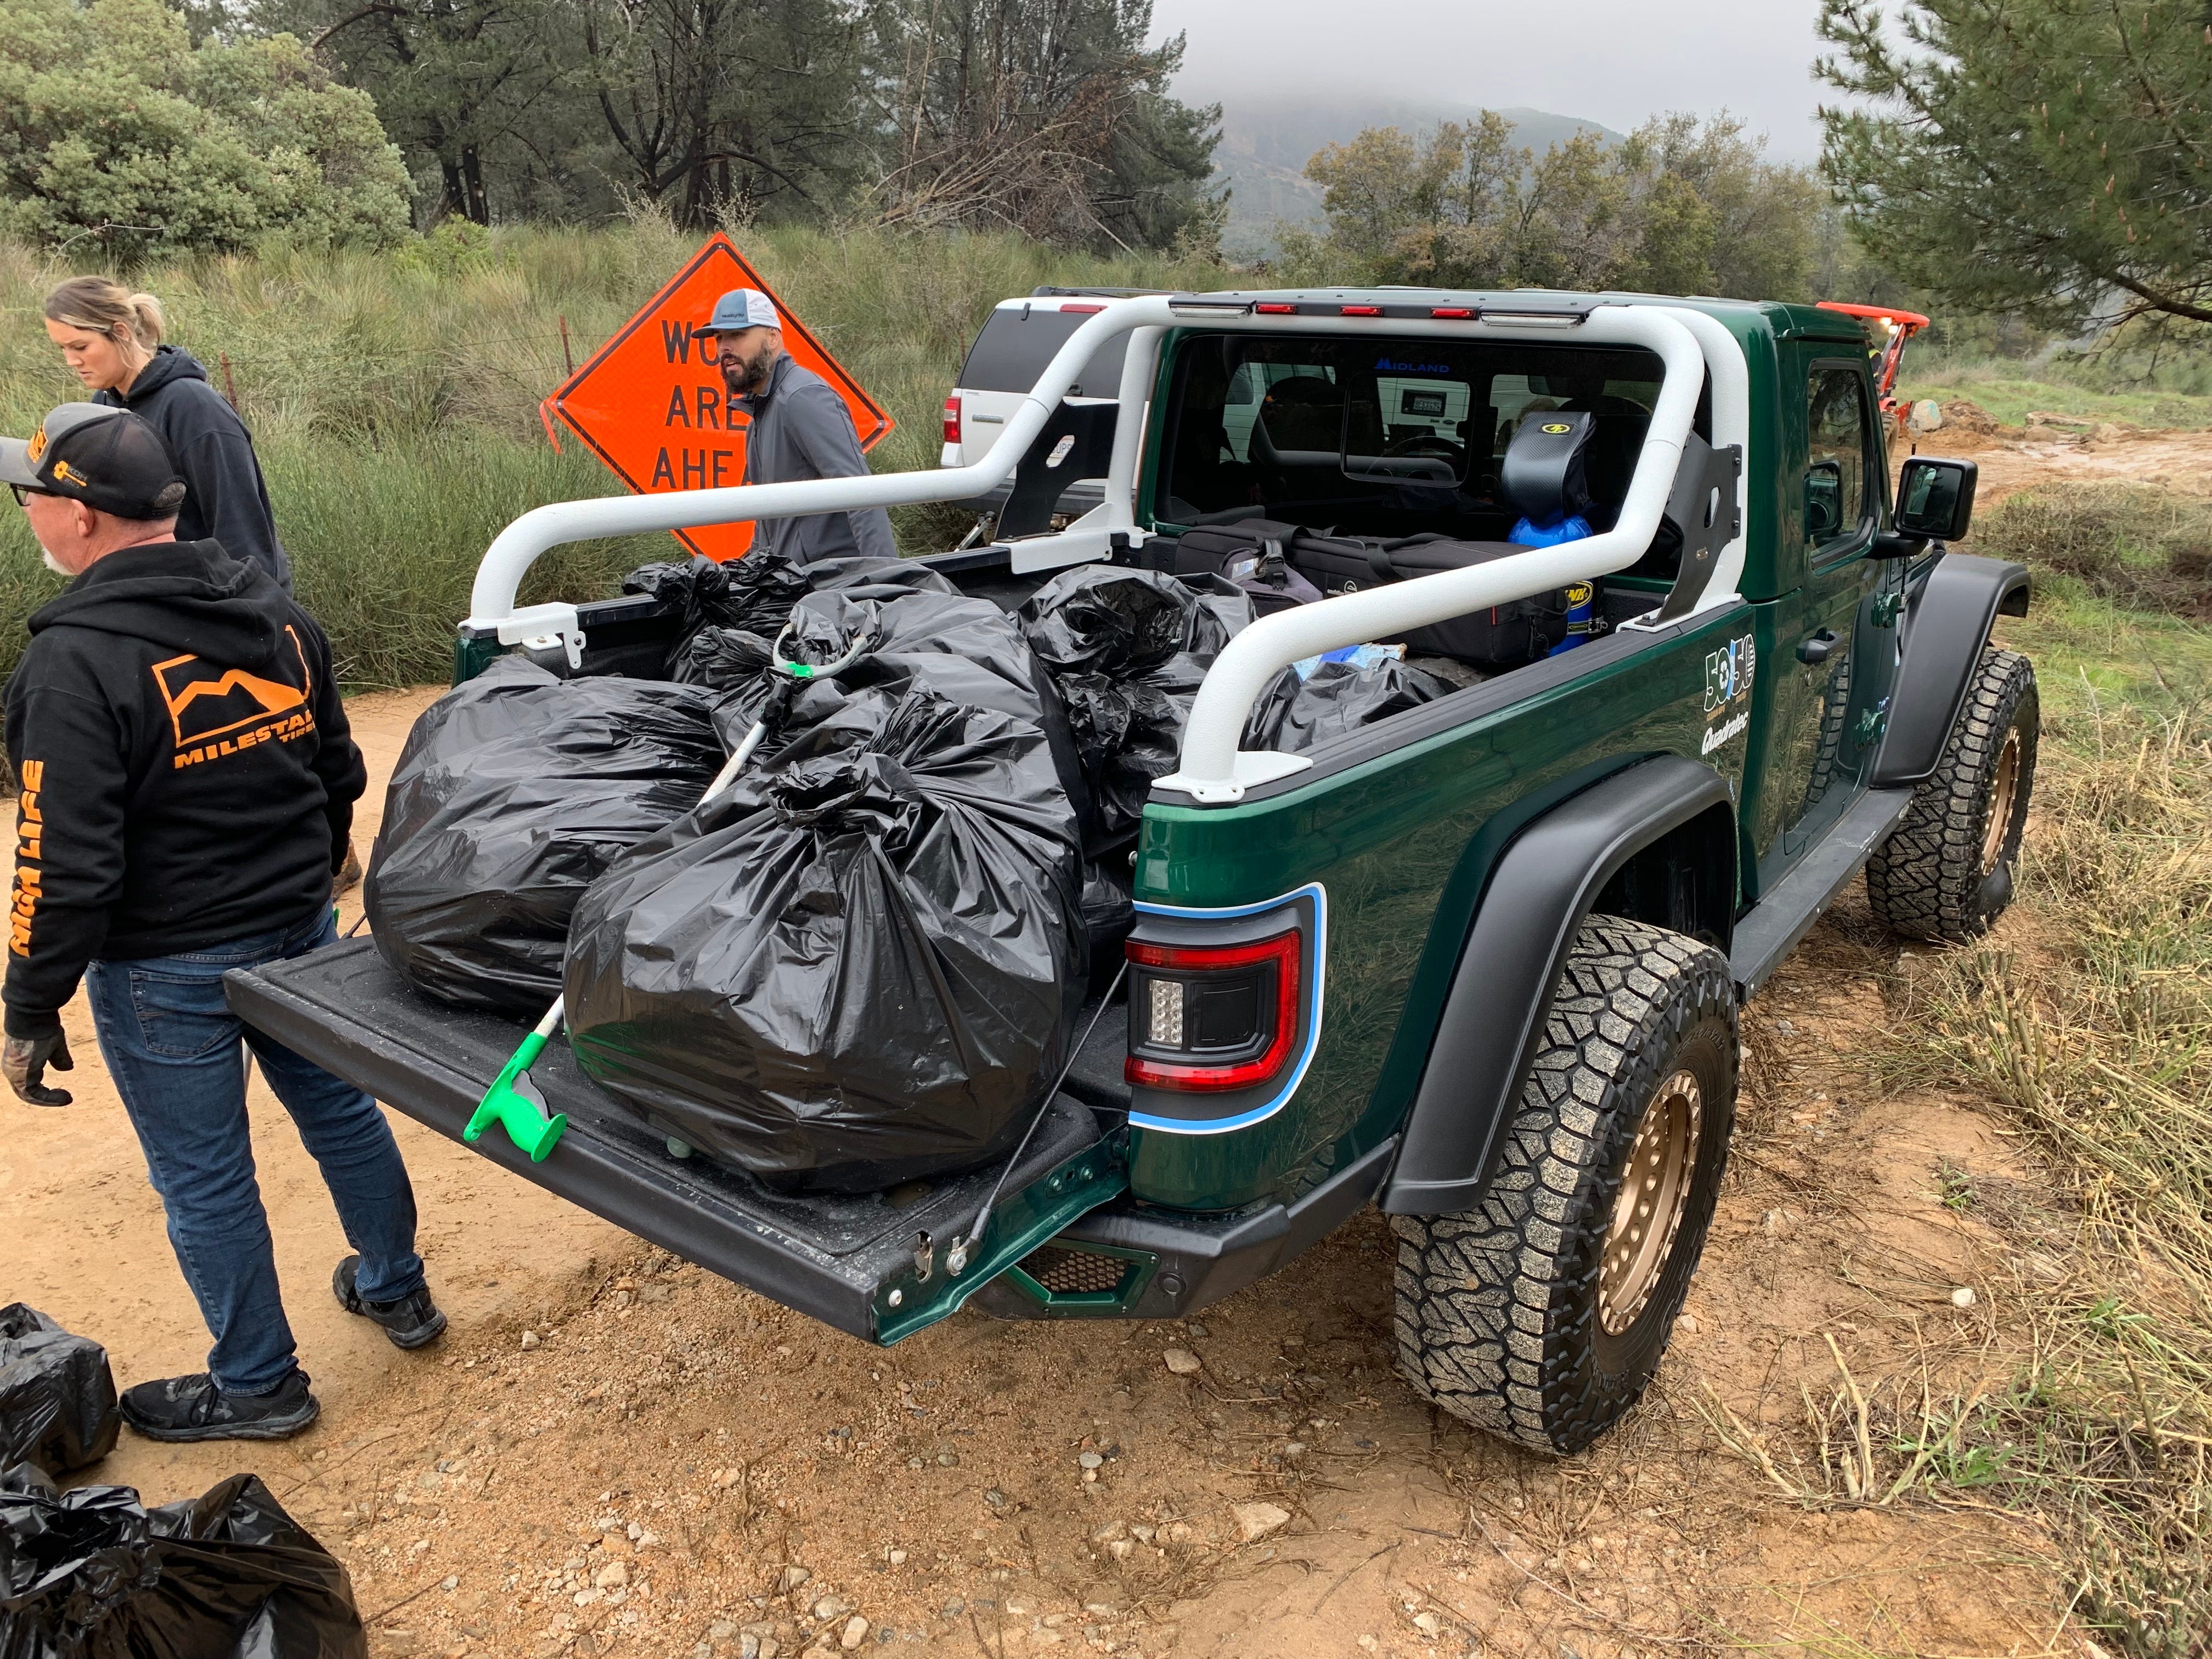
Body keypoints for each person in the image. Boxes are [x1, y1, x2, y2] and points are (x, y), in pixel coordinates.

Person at [0, 403, 441, 1442]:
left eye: (33, 494)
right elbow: (337, 771)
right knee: (342, 1114)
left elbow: (61, 862)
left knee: (206, 1176)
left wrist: (28, 1003)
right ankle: (398, 1288)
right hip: (298, 931)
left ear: (81, 518)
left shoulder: (72, 669)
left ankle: (257, 1383)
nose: (26, 509)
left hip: (166, 968)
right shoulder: (277, 614)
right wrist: (311, 878)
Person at [43, 277, 292, 590]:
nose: (71, 361)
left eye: (80, 346)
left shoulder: (194, 408)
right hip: (155, 597)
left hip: (213, 604)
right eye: (63, 348)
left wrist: (255, 617)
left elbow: (240, 527)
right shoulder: (104, 403)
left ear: (120, 333)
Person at [697, 287, 897, 565]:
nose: (724, 348)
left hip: (832, 587)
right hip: (793, 587)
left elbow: (863, 498)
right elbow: (768, 523)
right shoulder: (760, 415)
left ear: (772, 337)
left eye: (738, 335)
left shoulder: (803, 397)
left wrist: (887, 584)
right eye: (719, 338)